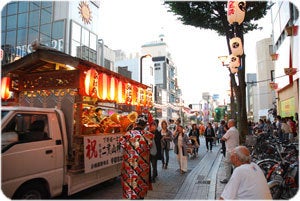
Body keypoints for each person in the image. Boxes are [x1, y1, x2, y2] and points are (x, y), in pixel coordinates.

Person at [119, 114, 154, 199]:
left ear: (135, 123)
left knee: (129, 191)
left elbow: (121, 151)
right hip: (142, 169)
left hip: (128, 169)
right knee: (140, 191)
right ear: (145, 125)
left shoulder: (127, 135)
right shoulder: (149, 136)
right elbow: (154, 152)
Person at [220, 119, 240, 184]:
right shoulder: (236, 130)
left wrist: (225, 132)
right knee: (235, 164)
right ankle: (235, 177)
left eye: (228, 123)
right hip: (236, 149)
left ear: (231, 123)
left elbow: (224, 138)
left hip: (230, 150)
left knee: (227, 163)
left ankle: (228, 178)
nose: (227, 124)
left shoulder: (230, 131)